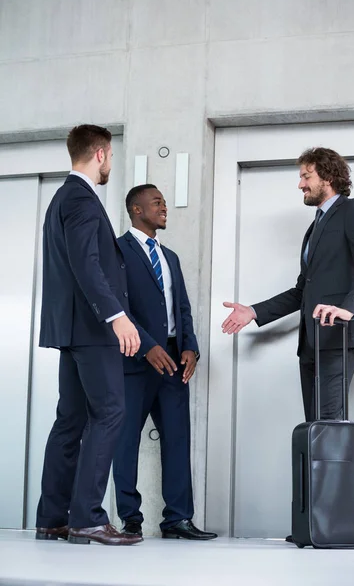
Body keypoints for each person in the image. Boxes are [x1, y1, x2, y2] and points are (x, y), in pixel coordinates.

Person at [35, 124, 142, 546]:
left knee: (71, 420)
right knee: (110, 412)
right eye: (112, 157)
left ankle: (53, 519)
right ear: (100, 154)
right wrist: (116, 315)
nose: (110, 164)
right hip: (94, 329)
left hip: (72, 329)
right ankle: (87, 519)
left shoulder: (61, 198)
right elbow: (86, 263)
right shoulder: (81, 198)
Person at [222, 147, 354, 423]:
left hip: (339, 334)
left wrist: (349, 309)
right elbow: (301, 291)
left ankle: (333, 468)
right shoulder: (314, 227)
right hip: (311, 340)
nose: (300, 184)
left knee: (328, 422)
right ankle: (313, 469)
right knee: (314, 424)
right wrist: (253, 311)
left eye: (306, 176)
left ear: (328, 177)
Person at [113, 184, 217, 541]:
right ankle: (130, 519)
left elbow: (182, 308)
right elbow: (117, 308)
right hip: (134, 360)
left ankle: (177, 519)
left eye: (165, 202)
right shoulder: (117, 250)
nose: (164, 207)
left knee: (177, 438)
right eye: (157, 202)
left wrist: (190, 347)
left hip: (174, 360)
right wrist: (146, 345)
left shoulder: (169, 256)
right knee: (124, 441)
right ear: (137, 209)